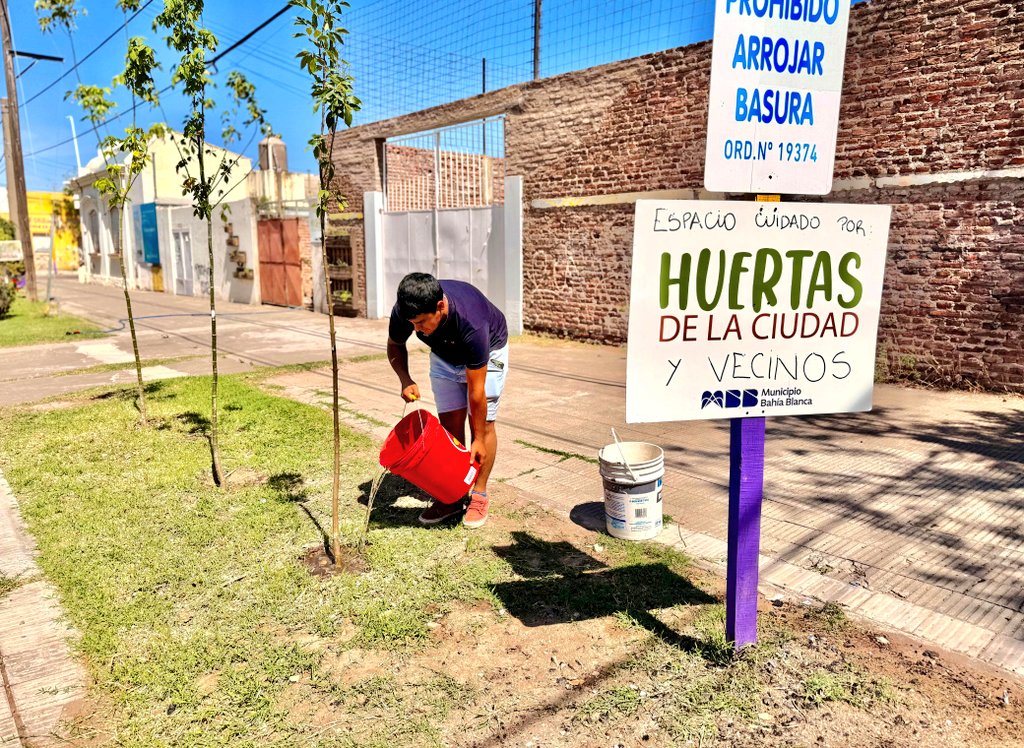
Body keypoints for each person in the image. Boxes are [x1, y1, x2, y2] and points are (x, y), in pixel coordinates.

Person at [386, 272, 509, 528]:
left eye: (421, 322)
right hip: (444, 356)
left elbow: (476, 391)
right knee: (450, 428)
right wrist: (405, 379)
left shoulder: (471, 322)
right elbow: (395, 344)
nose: (417, 329)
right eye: (413, 323)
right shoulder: (406, 309)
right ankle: (453, 495)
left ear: (440, 306)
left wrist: (477, 439)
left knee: (484, 425)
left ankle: (479, 494)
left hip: (489, 352)